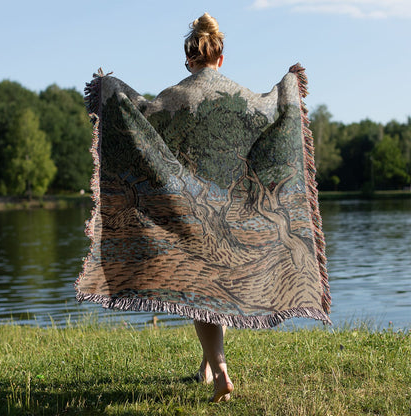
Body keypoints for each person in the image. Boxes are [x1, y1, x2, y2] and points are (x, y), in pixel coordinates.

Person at [184, 13, 234, 403]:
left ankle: (220, 371)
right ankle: (206, 366)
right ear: (220, 58)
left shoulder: (175, 96)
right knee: (214, 290)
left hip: (191, 206)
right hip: (231, 206)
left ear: (190, 59)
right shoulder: (237, 95)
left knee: (200, 293)